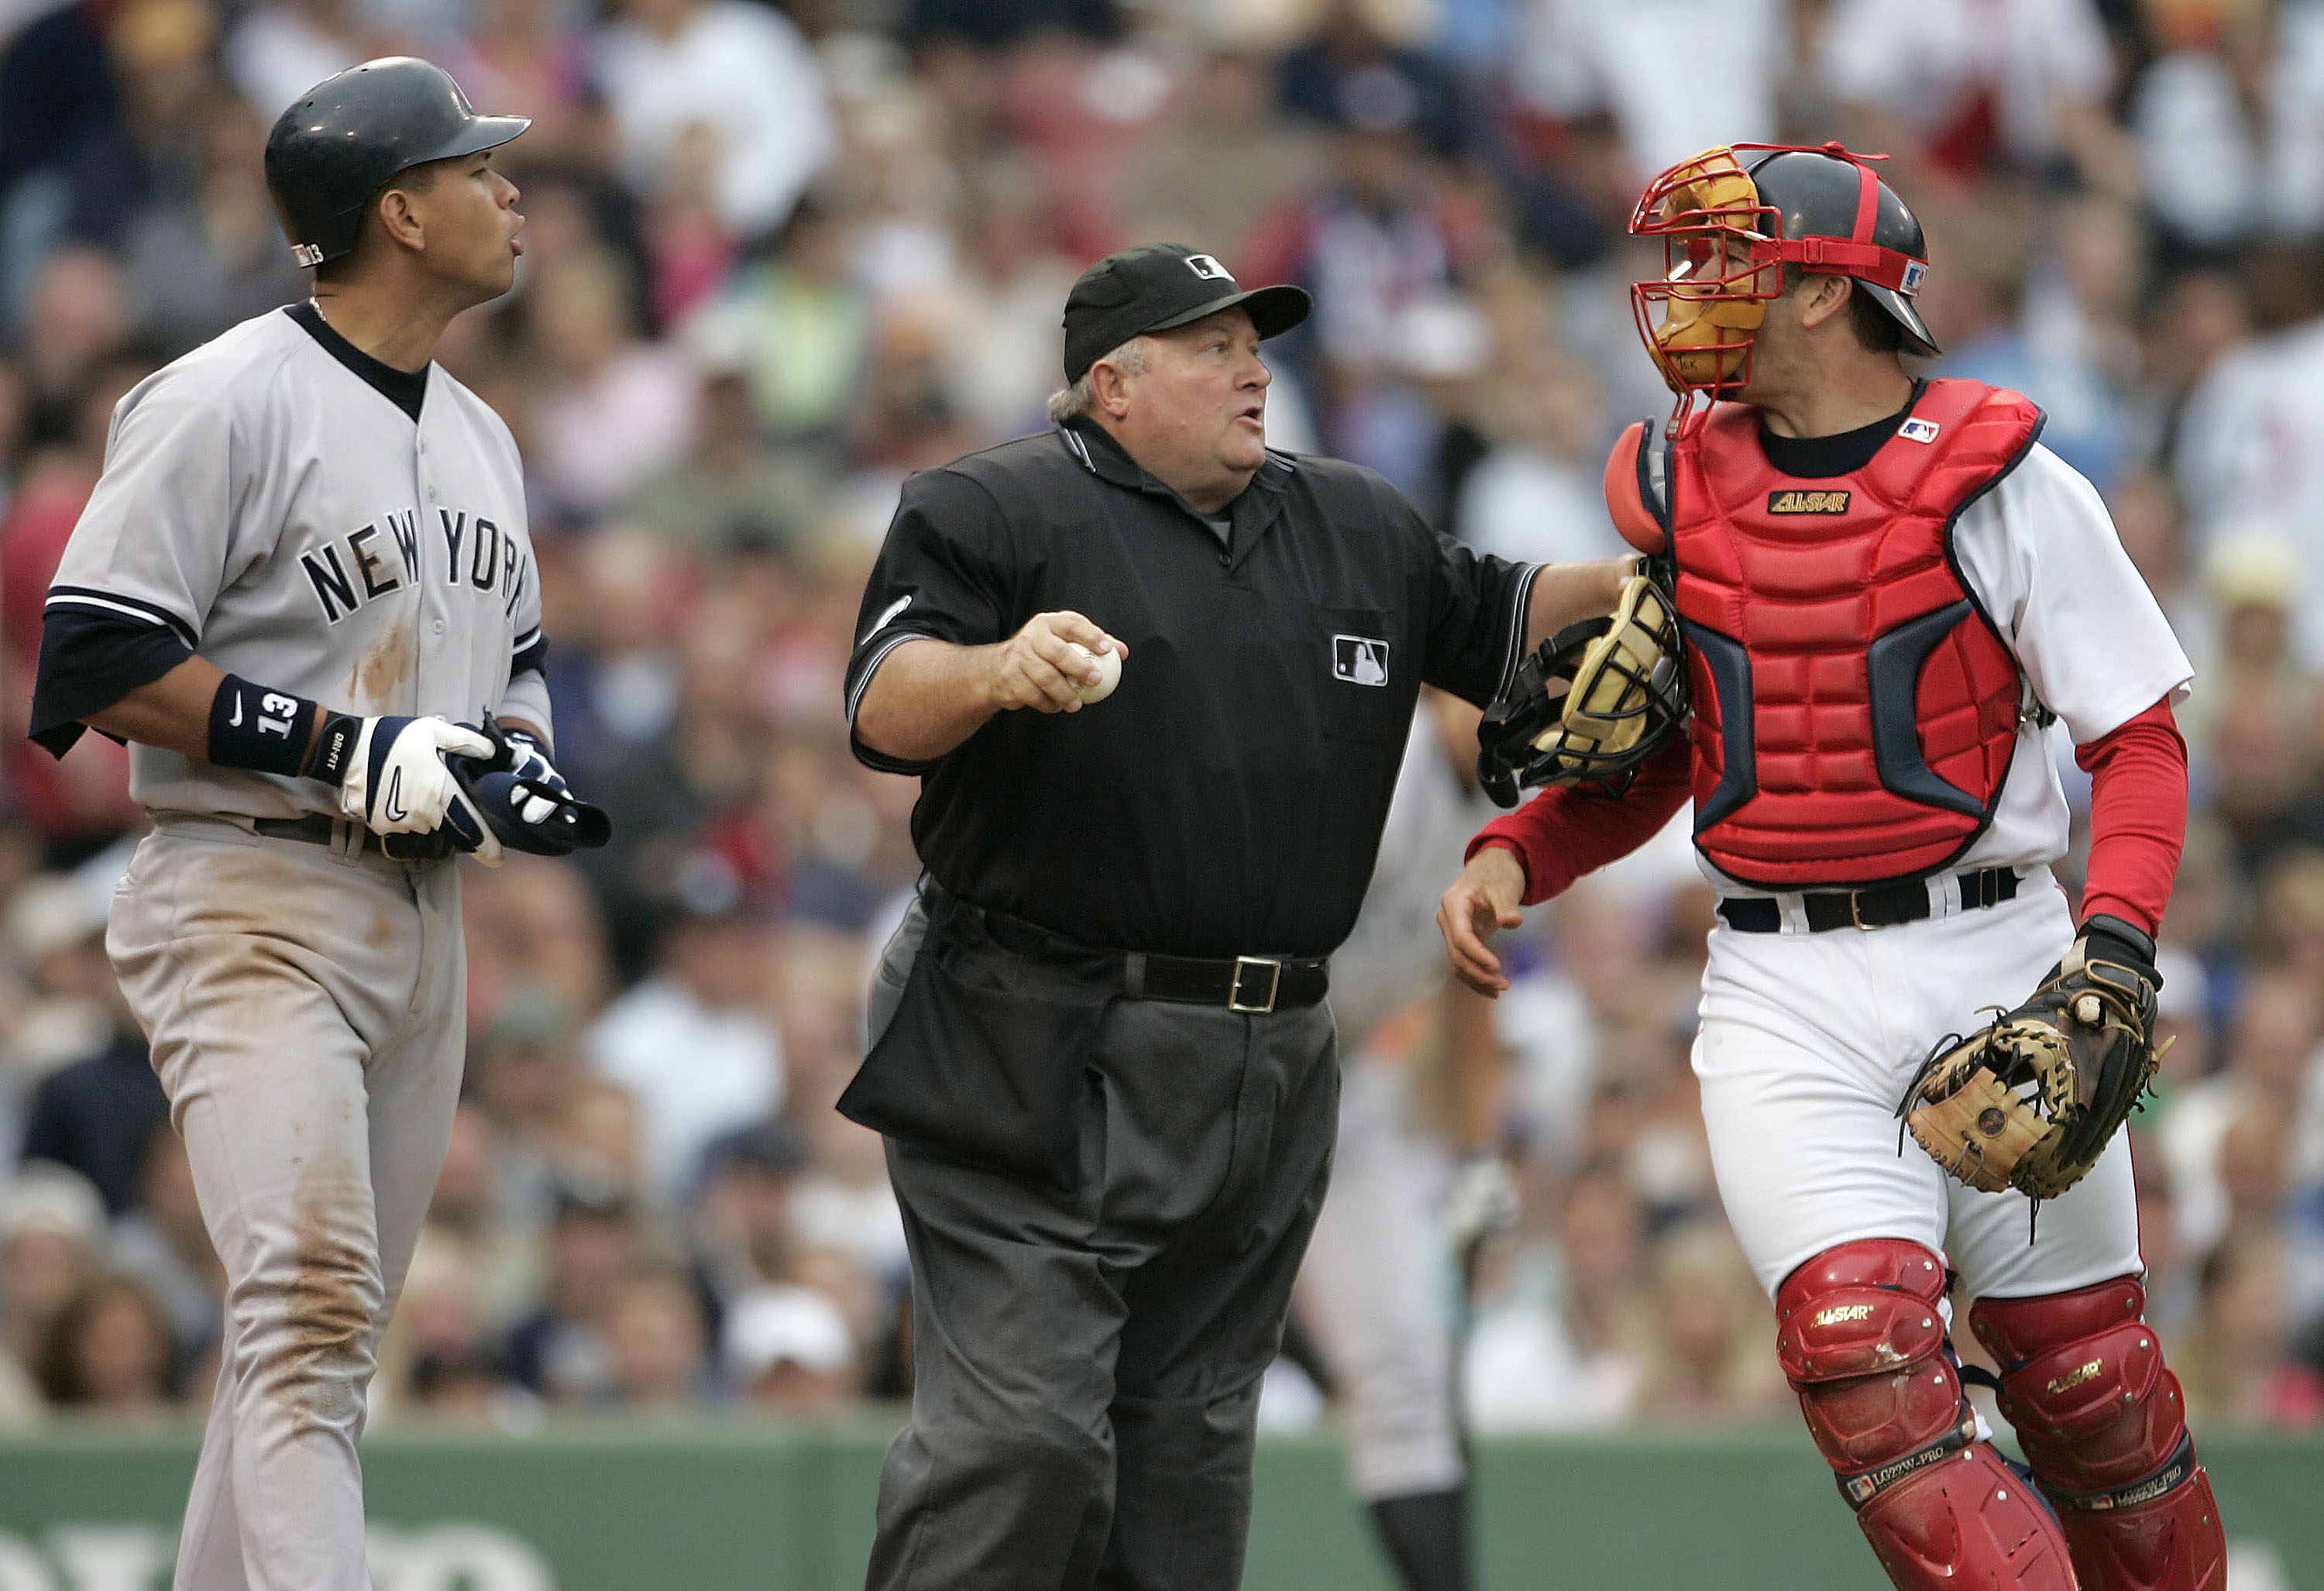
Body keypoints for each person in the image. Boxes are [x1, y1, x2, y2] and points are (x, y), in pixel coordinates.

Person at [1438, 146, 2223, 1591]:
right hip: (1780, 982)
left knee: (2093, 1387)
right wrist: (1521, 850)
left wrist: (2113, 947)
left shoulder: (2011, 481)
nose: (1687, 295)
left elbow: (2142, 740)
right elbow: (1678, 752)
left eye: (1726, 262)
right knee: (1861, 1350)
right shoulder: (1679, 481)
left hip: (1999, 953)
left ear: (1822, 292)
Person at [841, 241, 1631, 1591]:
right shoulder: (996, 506)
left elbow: (1507, 617)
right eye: (1212, 347)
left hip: (1264, 1057)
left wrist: (1659, 568)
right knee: (1020, 1447)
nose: (1252, 367)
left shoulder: (1352, 522)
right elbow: (881, 699)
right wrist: (996, 669)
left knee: (1186, 1472)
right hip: (1031, 1027)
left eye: (1254, 343)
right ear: (1113, 383)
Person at [25, 57, 598, 1591]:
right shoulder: (222, 395)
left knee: (314, 1356)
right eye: (477, 169)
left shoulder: (482, 432)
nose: (510, 188)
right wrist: (346, 745)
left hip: (423, 923)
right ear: (399, 212)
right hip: (248, 893)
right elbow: (92, 658)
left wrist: (520, 761)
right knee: (311, 1310)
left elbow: (517, 664)